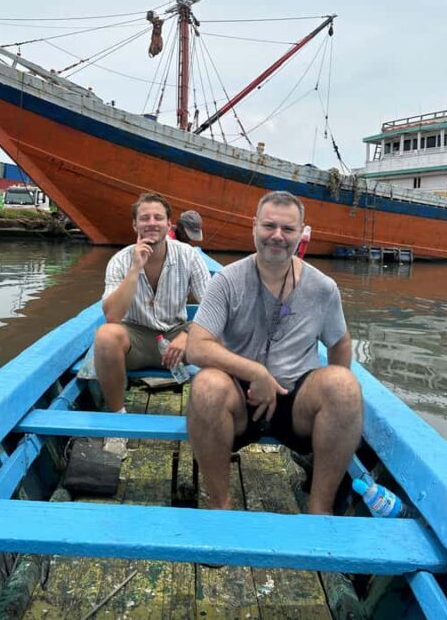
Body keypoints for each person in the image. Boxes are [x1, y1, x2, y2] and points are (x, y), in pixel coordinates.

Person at [186, 190, 362, 514]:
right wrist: (255, 372)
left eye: (288, 229)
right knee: (207, 386)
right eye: (269, 226)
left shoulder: (323, 288)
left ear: (302, 233)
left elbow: (340, 343)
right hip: (242, 400)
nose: (277, 236)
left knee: (344, 387)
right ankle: (219, 505)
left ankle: (318, 510)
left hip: (295, 404)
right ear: (254, 227)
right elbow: (196, 345)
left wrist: (335, 410)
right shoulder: (227, 280)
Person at [94, 192, 211, 456]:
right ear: (135, 225)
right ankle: (117, 421)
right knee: (105, 336)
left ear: (169, 224)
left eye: (158, 217)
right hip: (137, 340)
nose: (151, 222)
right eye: (144, 218)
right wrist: (135, 269)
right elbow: (112, 316)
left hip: (178, 337)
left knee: (224, 339)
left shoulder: (189, 257)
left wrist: (189, 335)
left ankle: (214, 418)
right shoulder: (120, 260)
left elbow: (215, 309)